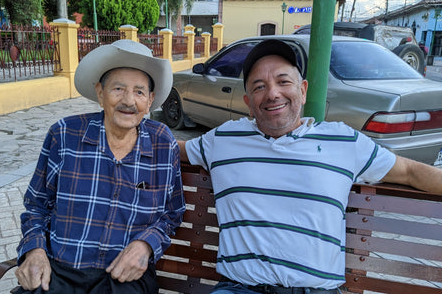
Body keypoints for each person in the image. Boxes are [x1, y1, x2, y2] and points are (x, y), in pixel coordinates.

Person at [178, 39, 442, 294]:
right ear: (248, 103)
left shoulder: (343, 141)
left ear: (302, 91)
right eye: (259, 87)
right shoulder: (223, 140)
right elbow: (170, 149)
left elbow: (410, 172)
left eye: (283, 82)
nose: (272, 93)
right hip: (240, 288)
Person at [14, 40, 185, 294]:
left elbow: (171, 214)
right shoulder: (64, 134)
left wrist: (145, 246)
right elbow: (36, 206)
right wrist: (35, 250)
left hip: (124, 277)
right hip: (61, 269)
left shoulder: (162, 142)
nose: (129, 101)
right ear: (100, 93)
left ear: (150, 100)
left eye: (139, 92)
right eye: (118, 88)